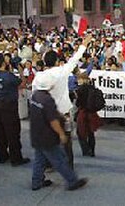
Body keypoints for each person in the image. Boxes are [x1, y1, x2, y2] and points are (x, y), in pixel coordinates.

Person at [33, 34, 92, 169]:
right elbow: (74, 59)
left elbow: (35, 95)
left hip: (45, 115)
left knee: (48, 141)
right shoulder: (62, 71)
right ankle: (68, 166)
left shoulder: (39, 77)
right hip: (63, 114)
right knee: (66, 141)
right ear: (56, 62)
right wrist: (84, 45)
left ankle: (48, 165)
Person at [30, 74, 88, 191]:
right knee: (59, 159)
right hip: (47, 136)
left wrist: (58, 115)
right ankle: (72, 181)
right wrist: (61, 133)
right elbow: (53, 120)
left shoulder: (35, 96)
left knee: (39, 159)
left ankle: (36, 182)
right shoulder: (47, 100)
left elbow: (46, 113)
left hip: (36, 133)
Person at [0, 53, 30, 166]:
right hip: (8, 106)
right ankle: (16, 158)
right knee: (13, 132)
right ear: (3, 63)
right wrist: (20, 70)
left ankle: (2, 156)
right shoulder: (8, 76)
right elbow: (22, 83)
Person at [75, 73, 101, 157]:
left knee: (80, 132)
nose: (78, 81)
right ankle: (92, 150)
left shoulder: (80, 89)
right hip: (92, 113)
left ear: (83, 80)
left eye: (79, 79)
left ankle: (86, 150)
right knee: (90, 132)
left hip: (83, 112)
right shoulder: (93, 88)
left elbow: (78, 103)